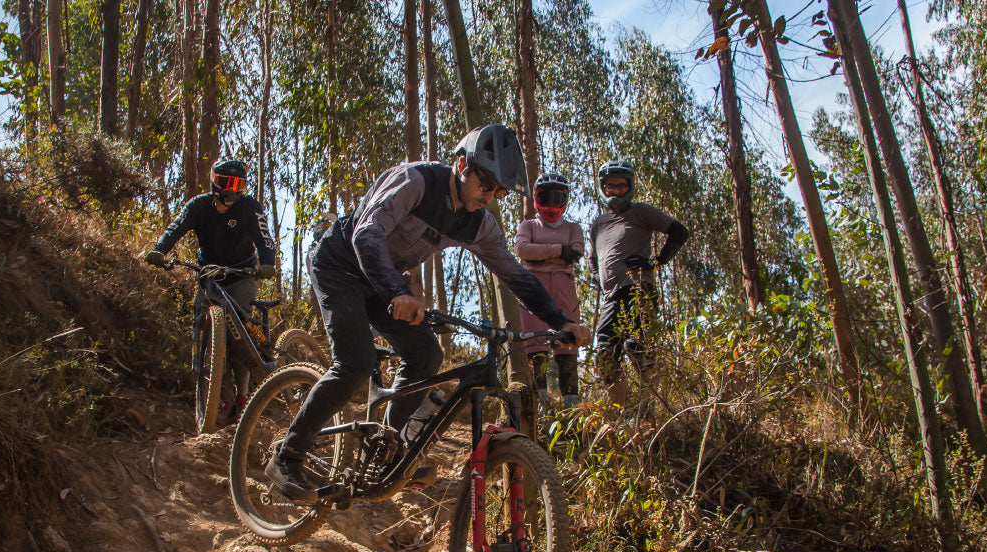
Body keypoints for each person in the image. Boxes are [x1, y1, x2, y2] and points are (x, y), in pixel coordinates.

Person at [266, 124, 592, 502]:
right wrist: (399, 292)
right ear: (460, 165)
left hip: (381, 283)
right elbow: (366, 234)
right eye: (485, 183)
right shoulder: (416, 181)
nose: (489, 196)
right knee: (355, 362)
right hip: (339, 265)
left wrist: (561, 321)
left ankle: (385, 452)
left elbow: (515, 275)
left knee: (427, 355)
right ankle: (287, 456)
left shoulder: (479, 222)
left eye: (498, 191)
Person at [142, 159, 279, 424]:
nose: (234, 190)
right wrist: (160, 249)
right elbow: (176, 227)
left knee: (239, 331)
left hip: (242, 275)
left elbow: (264, 238)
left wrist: (267, 264)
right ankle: (223, 399)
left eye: (239, 184)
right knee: (212, 334)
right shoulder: (198, 206)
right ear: (215, 182)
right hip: (209, 276)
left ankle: (244, 395)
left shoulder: (249, 207)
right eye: (228, 183)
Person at [587, 159, 688, 405]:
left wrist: (657, 260)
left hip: (638, 289)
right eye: (609, 187)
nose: (614, 191)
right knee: (605, 356)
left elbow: (679, 232)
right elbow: (592, 261)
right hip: (612, 298)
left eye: (620, 186)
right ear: (602, 188)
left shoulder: (641, 211)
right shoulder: (598, 223)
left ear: (629, 187)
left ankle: (649, 410)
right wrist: (601, 280)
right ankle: (622, 413)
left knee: (640, 349)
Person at [513, 171, 583, 409]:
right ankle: (540, 406)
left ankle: (571, 408)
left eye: (558, 198)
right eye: (546, 197)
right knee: (536, 346)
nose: (552, 204)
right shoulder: (528, 225)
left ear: (565, 200)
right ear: (536, 198)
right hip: (533, 290)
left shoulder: (573, 227)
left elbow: (575, 252)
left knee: (568, 343)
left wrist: (540, 255)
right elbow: (522, 249)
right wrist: (557, 251)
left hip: (564, 289)